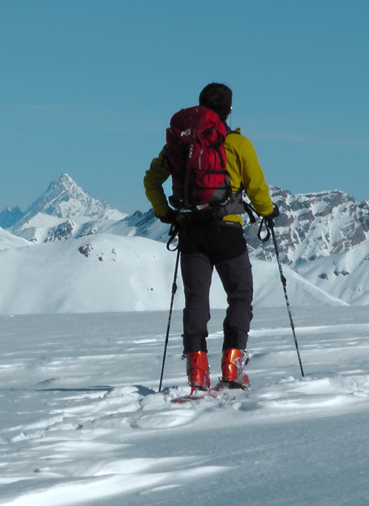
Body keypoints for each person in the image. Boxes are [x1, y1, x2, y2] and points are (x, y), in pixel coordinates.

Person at [144, 83, 277, 391]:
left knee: (195, 300)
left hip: (191, 230)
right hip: (226, 231)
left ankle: (196, 372)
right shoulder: (238, 144)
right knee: (240, 295)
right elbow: (256, 188)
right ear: (229, 109)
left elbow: (151, 180)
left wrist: (167, 214)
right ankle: (232, 367)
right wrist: (268, 212)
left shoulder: (180, 145)